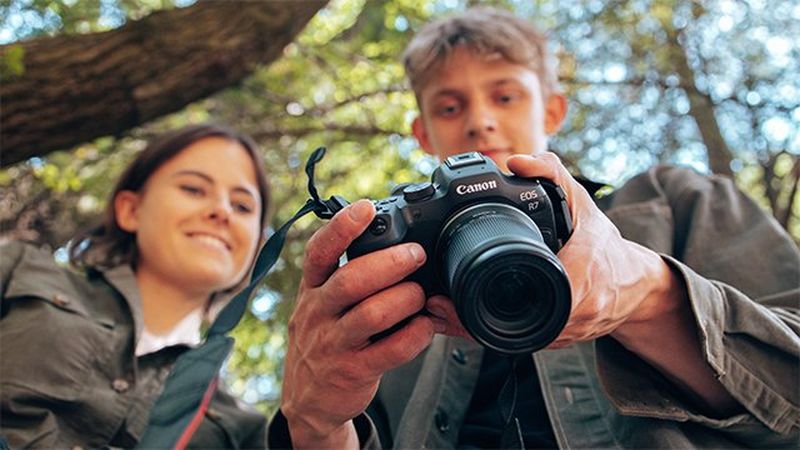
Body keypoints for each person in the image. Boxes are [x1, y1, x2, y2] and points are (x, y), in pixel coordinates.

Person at [269, 7, 800, 450]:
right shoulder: (394, 277)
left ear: (552, 109)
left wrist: (646, 293)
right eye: (450, 106)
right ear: (422, 133)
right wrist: (315, 423)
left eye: (505, 96)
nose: (481, 121)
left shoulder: (673, 203)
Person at [1, 124, 272, 448]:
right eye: (193, 189)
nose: (222, 212)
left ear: (257, 248)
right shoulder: (19, 269)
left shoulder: (245, 430)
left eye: (242, 206)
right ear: (131, 210)